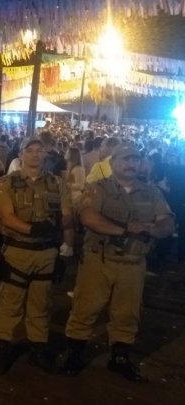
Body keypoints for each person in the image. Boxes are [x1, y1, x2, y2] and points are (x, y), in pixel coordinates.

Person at [61, 144, 174, 383]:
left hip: (133, 263)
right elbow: (89, 217)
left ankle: (120, 358)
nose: (131, 164)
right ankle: (74, 353)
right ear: (113, 163)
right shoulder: (99, 188)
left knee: (127, 313)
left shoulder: (151, 193)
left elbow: (167, 223)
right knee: (86, 307)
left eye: (136, 159)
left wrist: (156, 229)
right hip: (99, 260)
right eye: (126, 159)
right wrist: (125, 230)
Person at [0, 136, 74, 375]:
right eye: (31, 150)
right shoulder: (6, 183)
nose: (36, 155)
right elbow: (6, 216)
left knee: (41, 303)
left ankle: (38, 348)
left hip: (46, 252)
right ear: (22, 154)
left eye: (40, 150)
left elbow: (68, 216)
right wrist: (34, 228)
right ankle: (2, 347)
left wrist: (65, 246)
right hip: (17, 250)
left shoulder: (58, 184)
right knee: (10, 304)